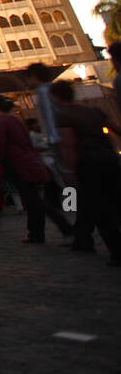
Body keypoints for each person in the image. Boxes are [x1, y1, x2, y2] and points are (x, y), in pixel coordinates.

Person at [48, 81, 121, 263]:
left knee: (100, 209)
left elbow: (69, 144)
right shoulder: (93, 111)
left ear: (55, 97)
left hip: (88, 163)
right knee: (115, 202)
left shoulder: (63, 116)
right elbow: (116, 129)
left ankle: (117, 251)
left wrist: (70, 170)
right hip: (109, 158)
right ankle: (83, 238)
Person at [0, 95, 72, 244]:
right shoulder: (15, 120)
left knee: (33, 200)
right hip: (29, 161)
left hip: (17, 163)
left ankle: (64, 227)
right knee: (32, 199)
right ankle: (36, 233)